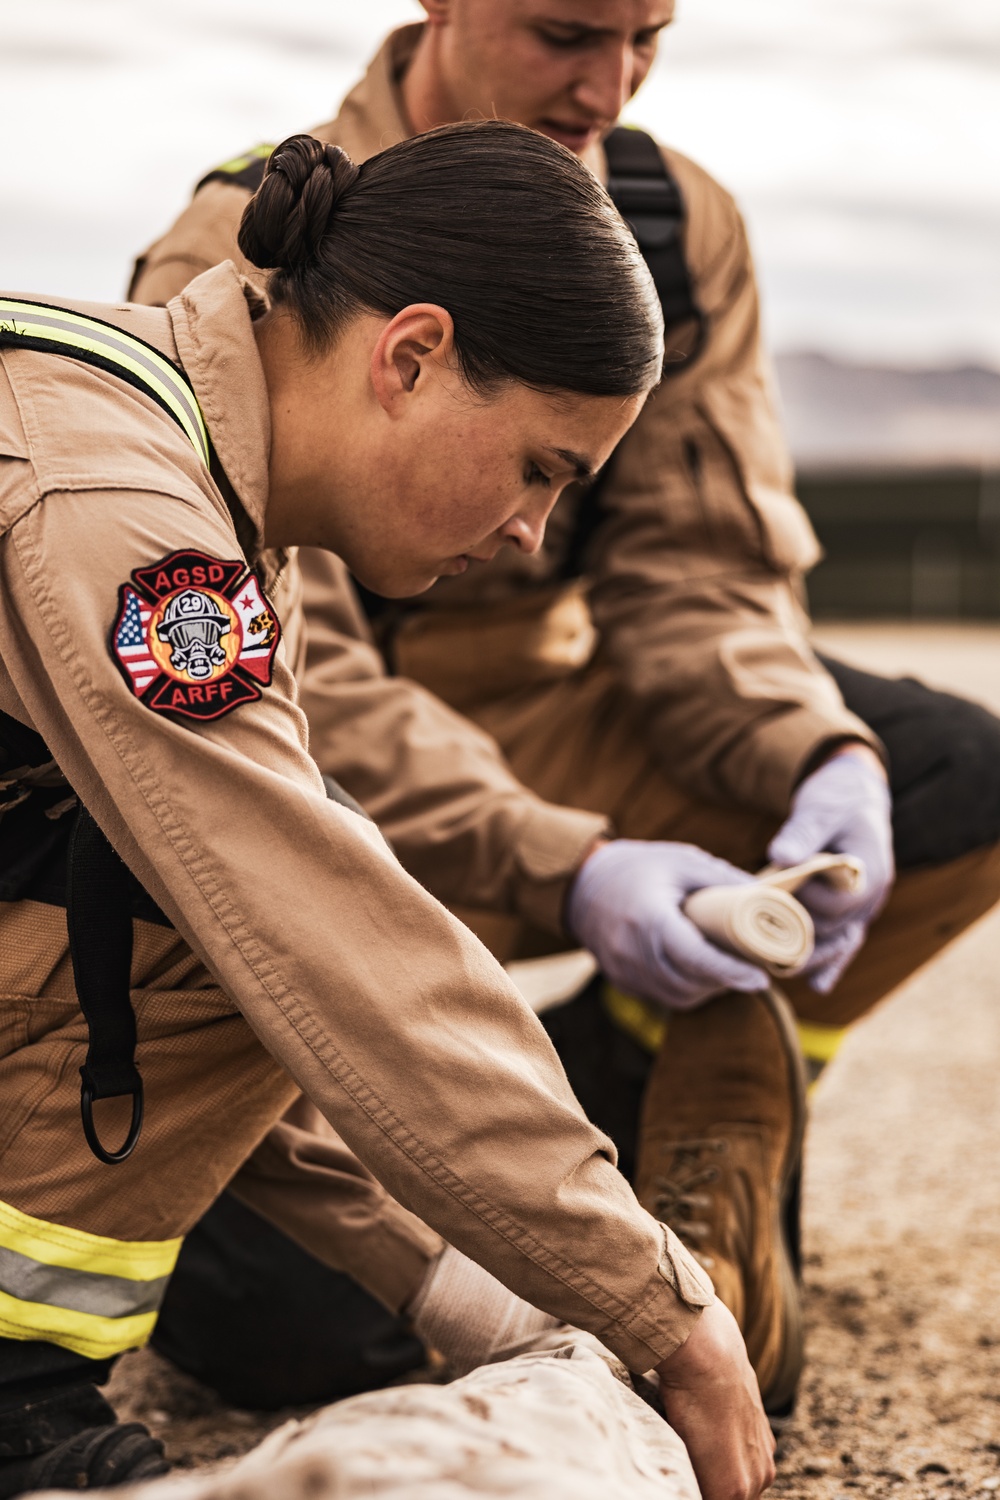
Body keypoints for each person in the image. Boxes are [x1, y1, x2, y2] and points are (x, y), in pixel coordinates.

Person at [129, 0, 1000, 1428]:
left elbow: (702, 573)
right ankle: (494, 1140)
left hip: (554, 716)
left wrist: (816, 750)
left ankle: (656, 1071)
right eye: (564, 32)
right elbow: (276, 681)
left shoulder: (672, 225)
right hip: (319, 767)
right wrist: (565, 862)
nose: (609, 86)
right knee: (306, 1338)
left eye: (651, 35)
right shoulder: (255, 236)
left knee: (948, 774)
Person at [0, 124, 775, 1499]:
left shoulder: (179, 458)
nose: (535, 532)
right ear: (409, 356)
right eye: (541, 466)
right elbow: (318, 936)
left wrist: (476, 1299)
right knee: (294, 892)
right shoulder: (117, 505)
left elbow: (237, 972)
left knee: (225, 895)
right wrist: (663, 1302)